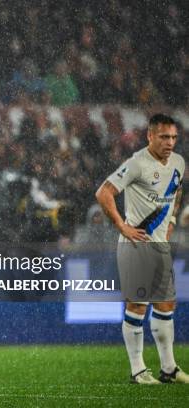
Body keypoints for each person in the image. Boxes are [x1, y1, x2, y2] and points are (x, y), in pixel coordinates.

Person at [95, 114, 188, 384]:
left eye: (173, 137)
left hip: (161, 246)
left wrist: (171, 219)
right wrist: (122, 226)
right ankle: (138, 370)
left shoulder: (178, 163)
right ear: (150, 136)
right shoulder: (137, 163)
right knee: (137, 305)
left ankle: (168, 368)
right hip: (137, 245)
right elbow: (104, 192)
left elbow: (177, 191)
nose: (169, 142)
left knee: (166, 304)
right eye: (163, 137)